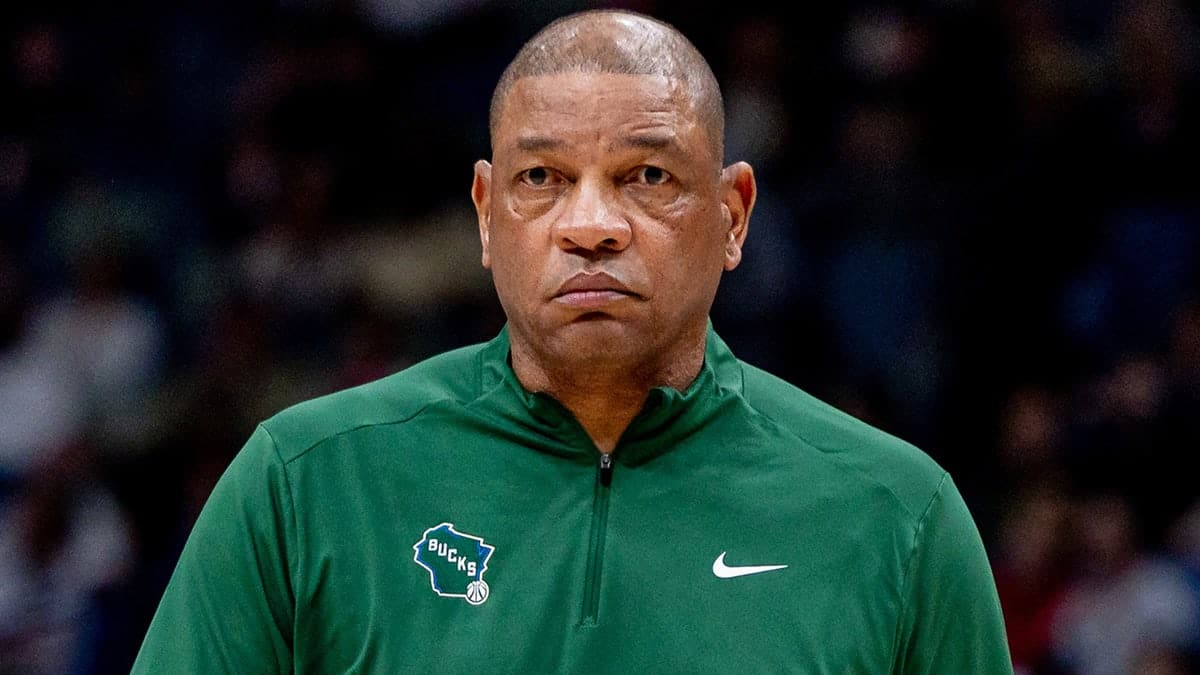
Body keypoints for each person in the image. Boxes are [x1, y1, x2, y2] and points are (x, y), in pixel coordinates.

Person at [133, 9, 1014, 673]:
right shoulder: (303, 482)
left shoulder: (899, 515)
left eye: (648, 176)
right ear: (487, 216)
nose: (589, 225)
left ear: (732, 215)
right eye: (542, 178)